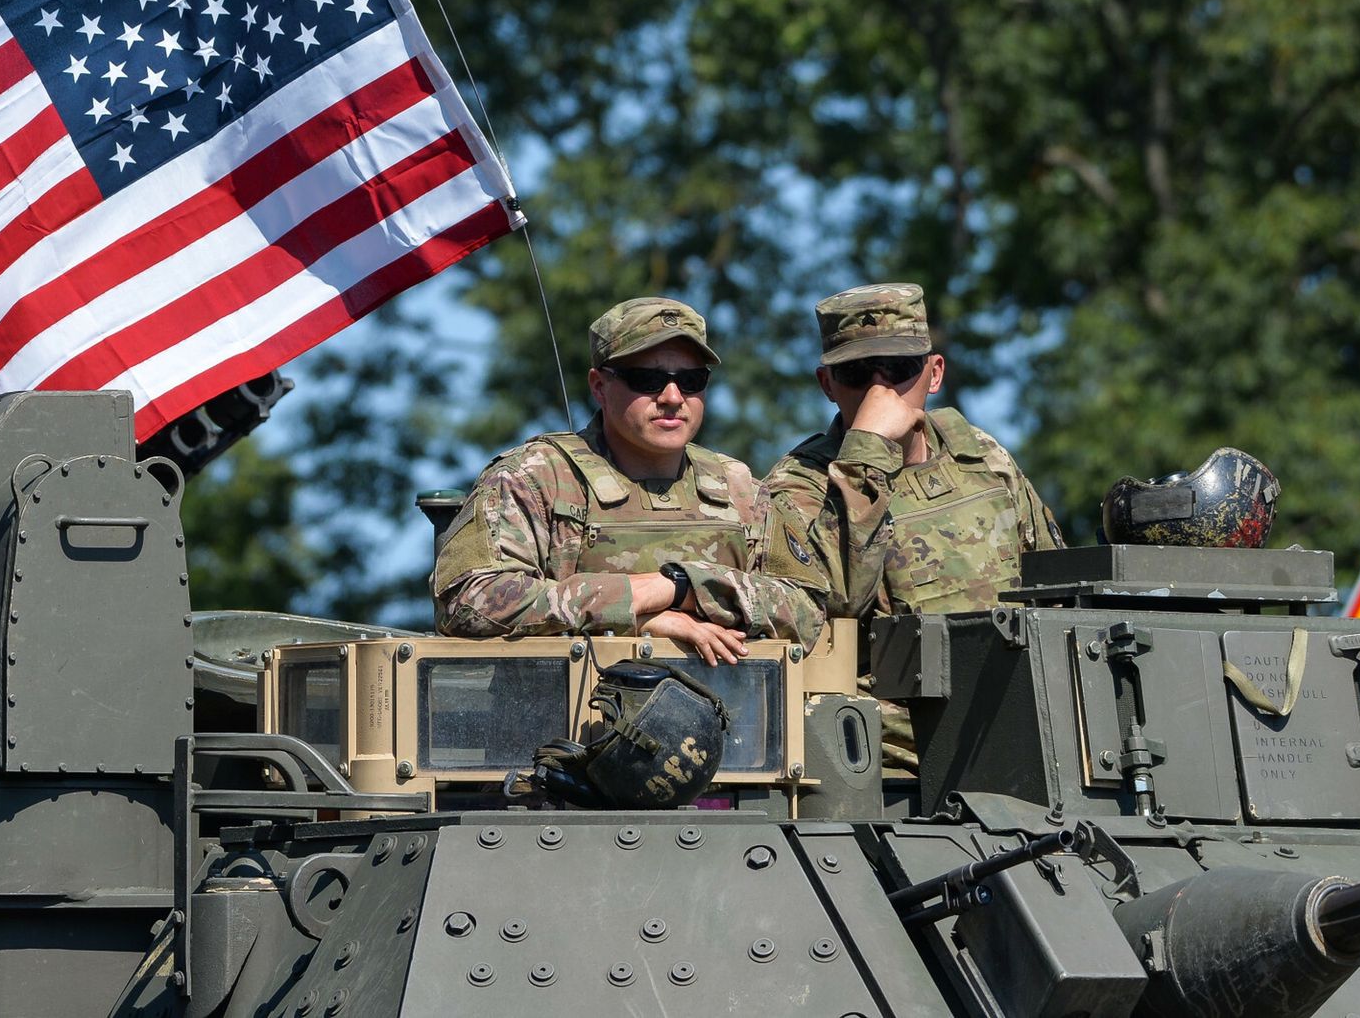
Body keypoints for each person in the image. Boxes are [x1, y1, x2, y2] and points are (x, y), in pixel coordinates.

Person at [431, 296, 898, 662]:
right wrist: (638, 613)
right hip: (568, 752)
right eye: (646, 380)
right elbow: (470, 600)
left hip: (734, 753)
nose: (673, 397)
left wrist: (684, 585)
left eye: (691, 379)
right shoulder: (536, 478)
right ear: (599, 385)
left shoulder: (738, 488)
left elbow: (809, 609)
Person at [763, 282, 1063, 769]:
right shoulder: (801, 484)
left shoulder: (982, 457)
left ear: (935, 372)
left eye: (900, 370)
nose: (881, 392)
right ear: (827, 384)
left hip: (1014, 738)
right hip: (888, 770)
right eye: (859, 373)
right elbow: (830, 604)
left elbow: (1053, 586)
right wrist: (865, 452)